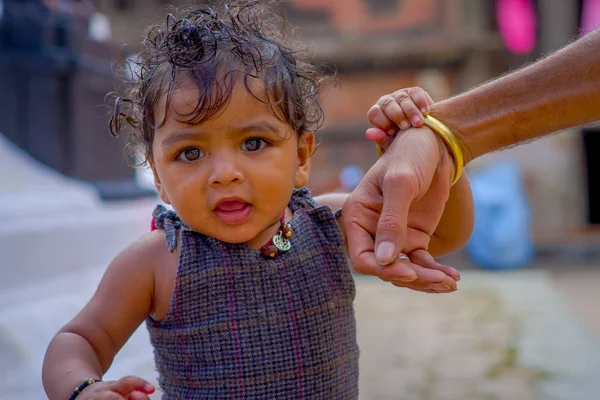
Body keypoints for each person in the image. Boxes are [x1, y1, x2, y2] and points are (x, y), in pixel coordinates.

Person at [41, 3, 473, 399]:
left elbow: (440, 232)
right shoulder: (156, 261)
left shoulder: (330, 222)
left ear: (301, 156)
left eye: (253, 142)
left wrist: (433, 148)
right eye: (190, 153)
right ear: (158, 177)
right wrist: (82, 389)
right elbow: (79, 340)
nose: (225, 173)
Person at [343, 27, 600, 292]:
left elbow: (444, 234)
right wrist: (439, 137)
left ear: (306, 150)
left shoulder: (314, 219)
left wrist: (436, 154)